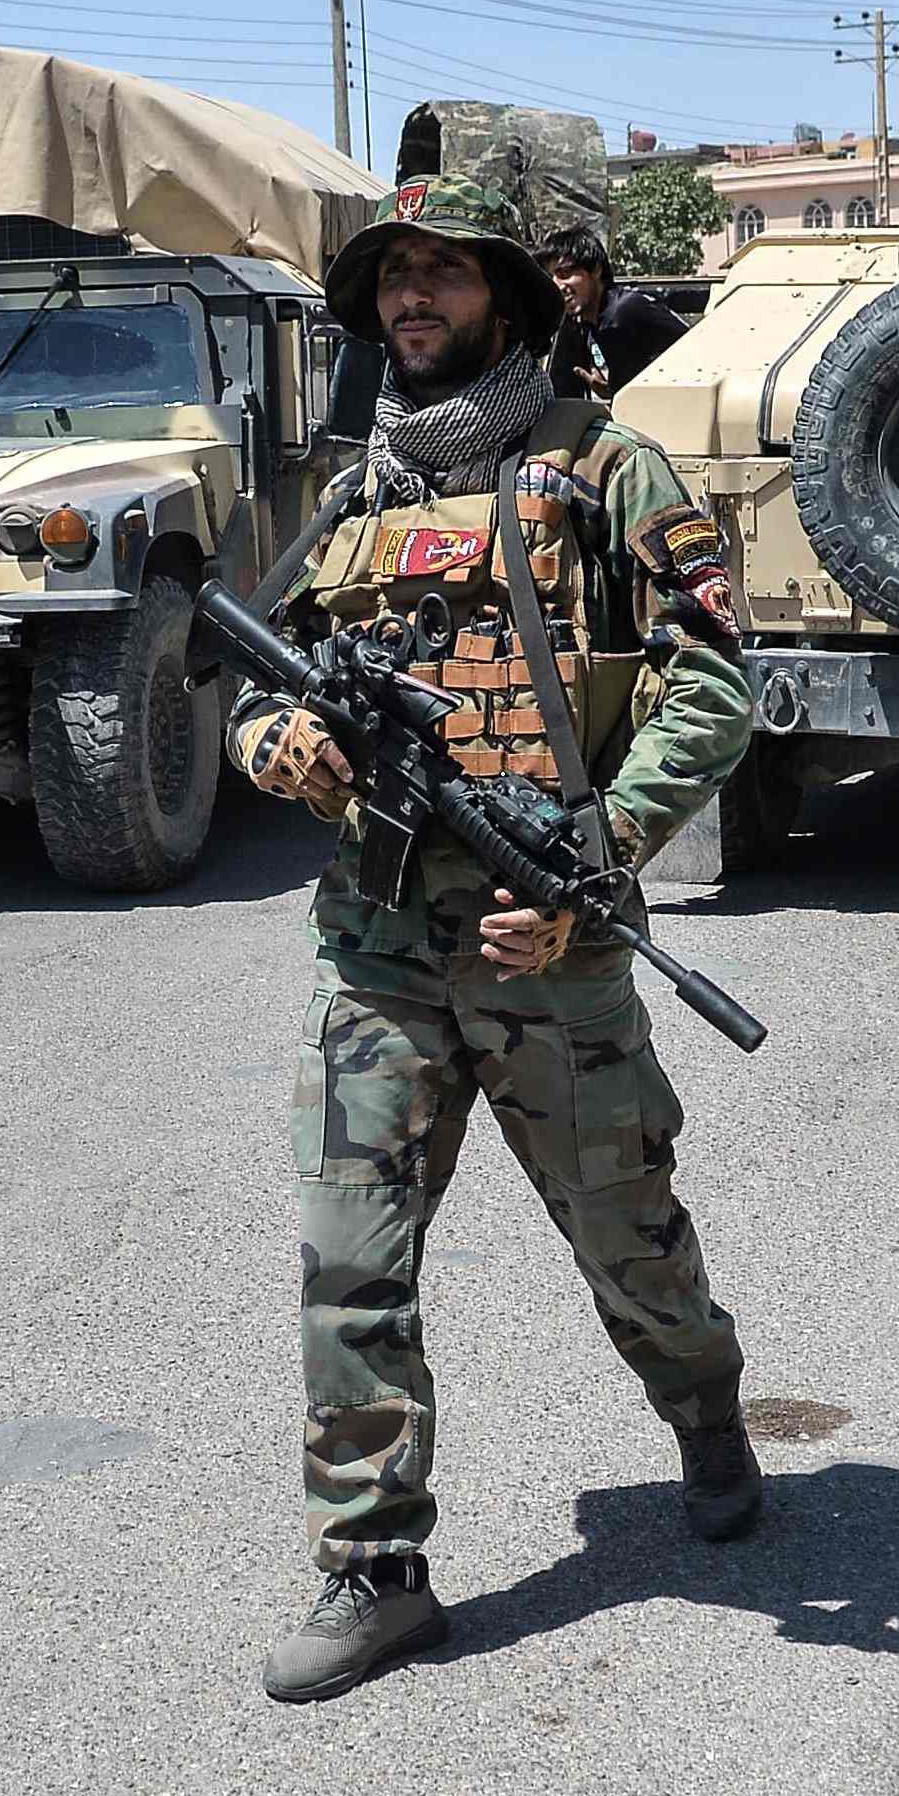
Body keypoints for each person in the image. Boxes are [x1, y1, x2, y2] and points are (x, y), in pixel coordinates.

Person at [226, 174, 762, 1704]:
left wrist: (592, 854)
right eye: (392, 274)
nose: (411, 297)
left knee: (627, 1239)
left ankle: (708, 1417)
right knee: (348, 1261)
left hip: (552, 940)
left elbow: (714, 680)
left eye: (444, 273)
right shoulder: (354, 499)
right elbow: (268, 680)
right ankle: (372, 1565)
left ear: (510, 300)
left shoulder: (604, 470)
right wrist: (282, 749)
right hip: (375, 945)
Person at [538, 223, 690, 399]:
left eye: (565, 273)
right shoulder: (589, 322)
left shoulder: (623, 312)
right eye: (550, 279)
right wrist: (611, 389)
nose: (558, 286)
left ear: (595, 269)